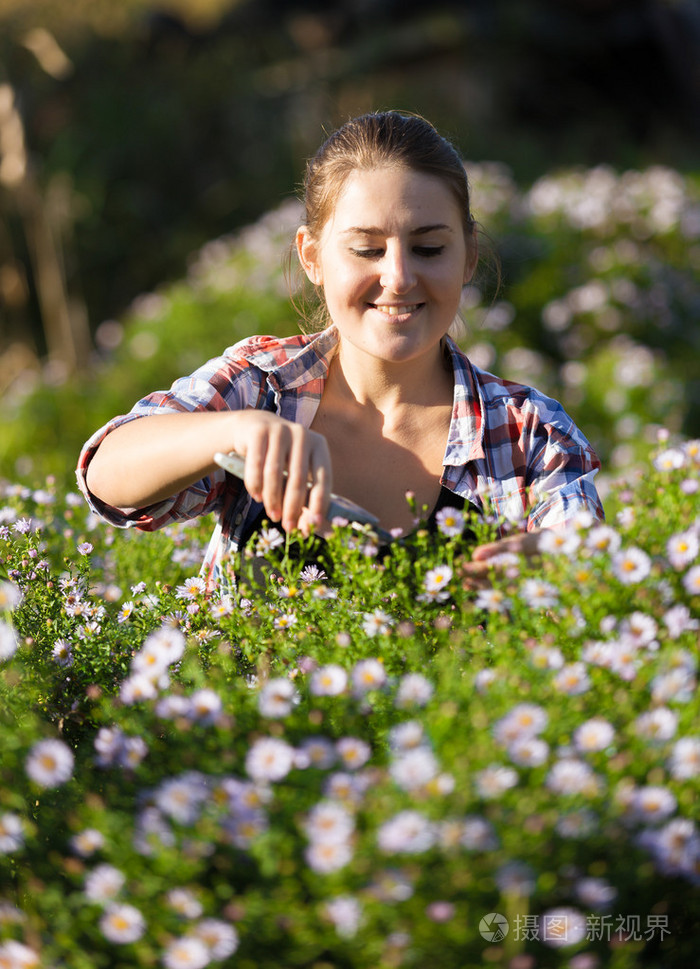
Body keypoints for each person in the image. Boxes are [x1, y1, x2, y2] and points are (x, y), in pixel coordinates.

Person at [77, 111, 604, 591]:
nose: (398, 277)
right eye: (366, 250)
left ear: (468, 258)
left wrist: (562, 568)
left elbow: (591, 569)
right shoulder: (263, 388)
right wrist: (235, 431)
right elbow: (108, 476)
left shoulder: (529, 430)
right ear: (312, 258)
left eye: (429, 248)